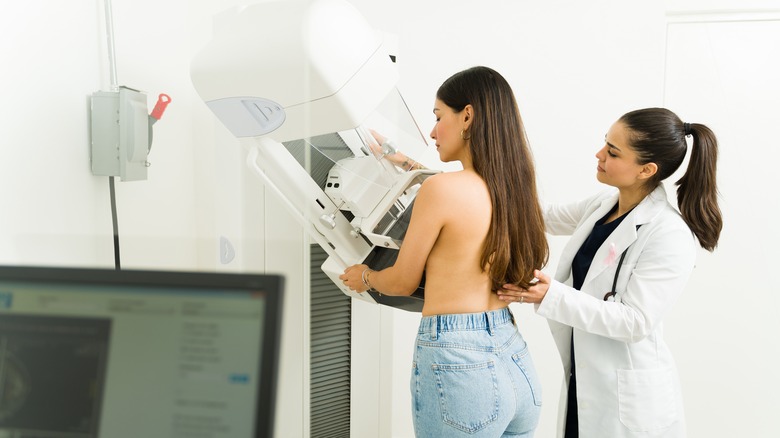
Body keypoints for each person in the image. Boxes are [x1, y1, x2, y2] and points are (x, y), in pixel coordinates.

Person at [340, 66, 549, 437]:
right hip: (514, 359)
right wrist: (398, 157)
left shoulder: (439, 191)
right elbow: (450, 190)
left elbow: (403, 282)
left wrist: (365, 277)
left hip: (459, 362)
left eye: (438, 117)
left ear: (467, 115)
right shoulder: (514, 188)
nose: (433, 132)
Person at [498, 107, 722, 438]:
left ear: (646, 169)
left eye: (613, 152)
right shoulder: (604, 204)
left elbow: (635, 321)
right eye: (605, 143)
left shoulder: (669, 233)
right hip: (587, 382)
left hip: (629, 404)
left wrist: (552, 294)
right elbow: (538, 216)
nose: (599, 154)